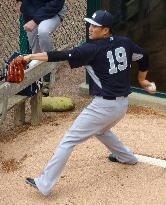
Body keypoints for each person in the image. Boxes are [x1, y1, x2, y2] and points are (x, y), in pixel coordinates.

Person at [22, 10, 156, 196]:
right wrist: (143, 80)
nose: (90, 28)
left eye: (95, 26)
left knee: (68, 140)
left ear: (106, 30)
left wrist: (31, 56)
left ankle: (44, 184)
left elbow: (59, 55)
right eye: (90, 24)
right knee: (101, 130)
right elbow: (143, 56)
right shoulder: (124, 43)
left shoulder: (91, 49)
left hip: (103, 107)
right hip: (121, 106)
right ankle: (127, 157)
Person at [16, 0, 67, 95]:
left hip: (53, 11)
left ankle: (49, 68)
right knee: (36, 51)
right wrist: (19, 1)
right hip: (32, 11)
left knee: (43, 31)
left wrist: (35, 21)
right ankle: (39, 79)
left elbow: (56, 4)